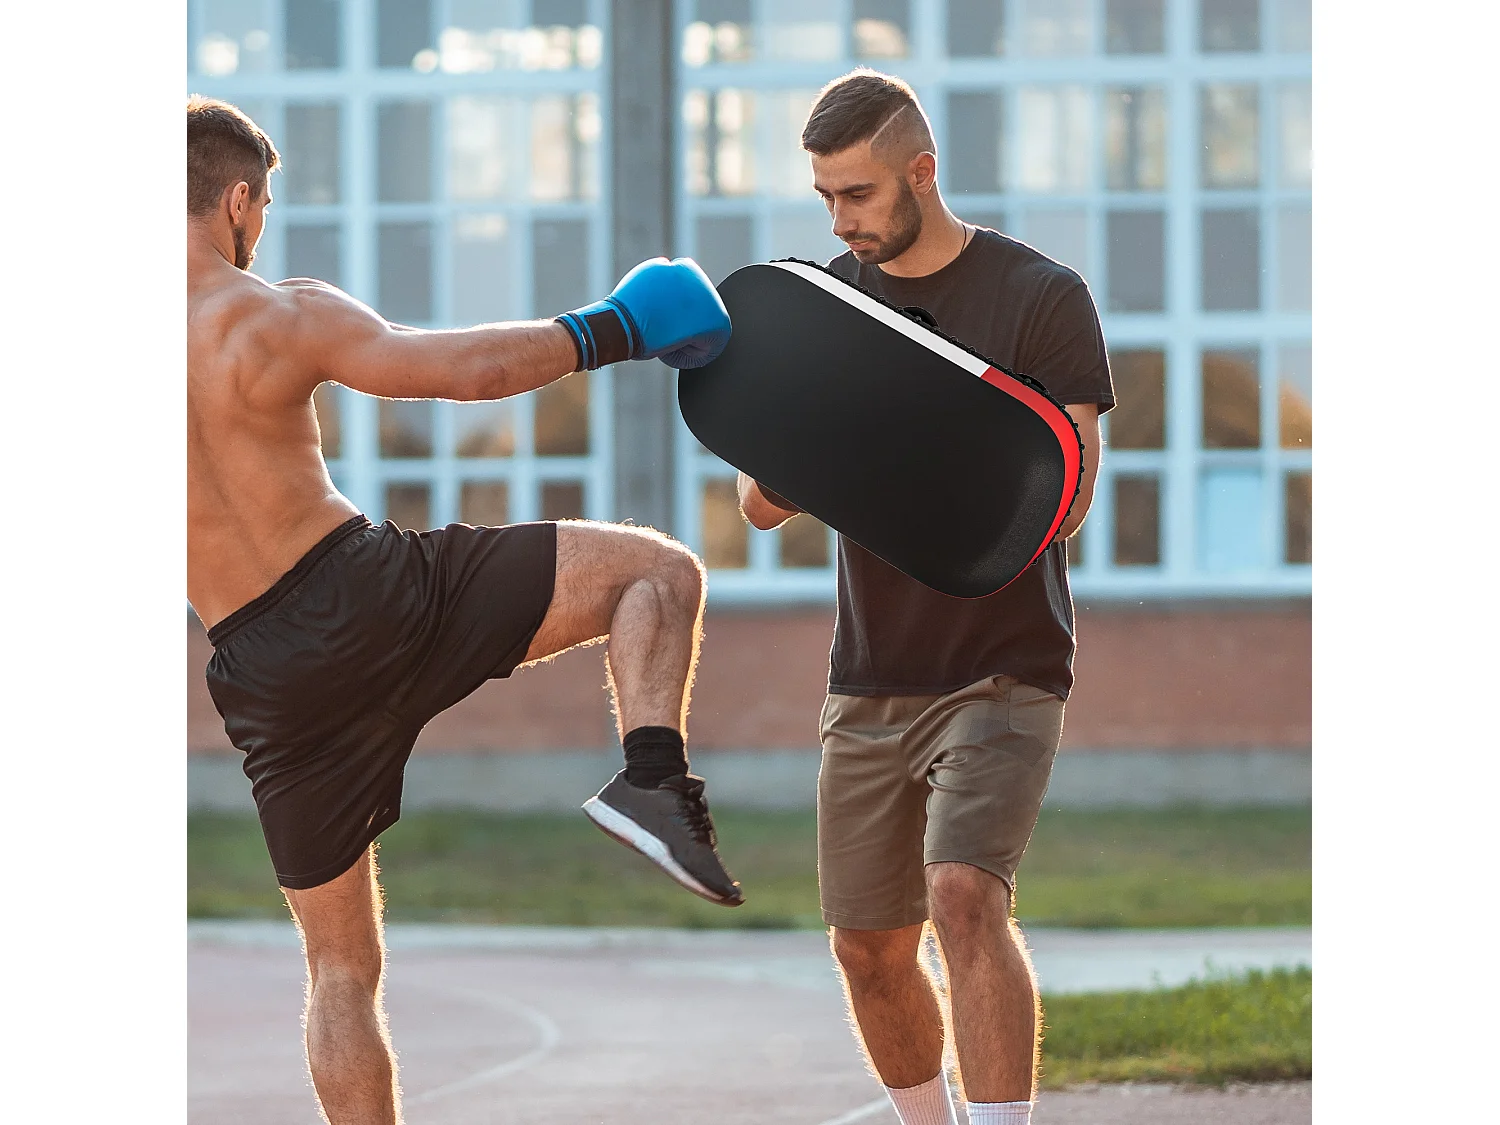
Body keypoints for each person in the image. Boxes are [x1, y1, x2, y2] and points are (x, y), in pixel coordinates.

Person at [187, 95, 740, 1125]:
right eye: (258, 208)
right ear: (236, 200)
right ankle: (652, 781)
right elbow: (467, 372)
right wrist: (614, 329)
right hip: (370, 596)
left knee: (339, 973)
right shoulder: (270, 312)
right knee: (655, 574)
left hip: (260, 670)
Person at [738, 71, 1114, 1125]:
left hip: (1006, 662)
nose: (840, 220)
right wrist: (826, 429)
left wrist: (929, 437)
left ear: (922, 171)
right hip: (869, 674)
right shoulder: (830, 307)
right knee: (866, 945)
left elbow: (1071, 493)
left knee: (962, 895)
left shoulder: (1040, 297)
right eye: (823, 198)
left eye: (857, 194)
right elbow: (760, 503)